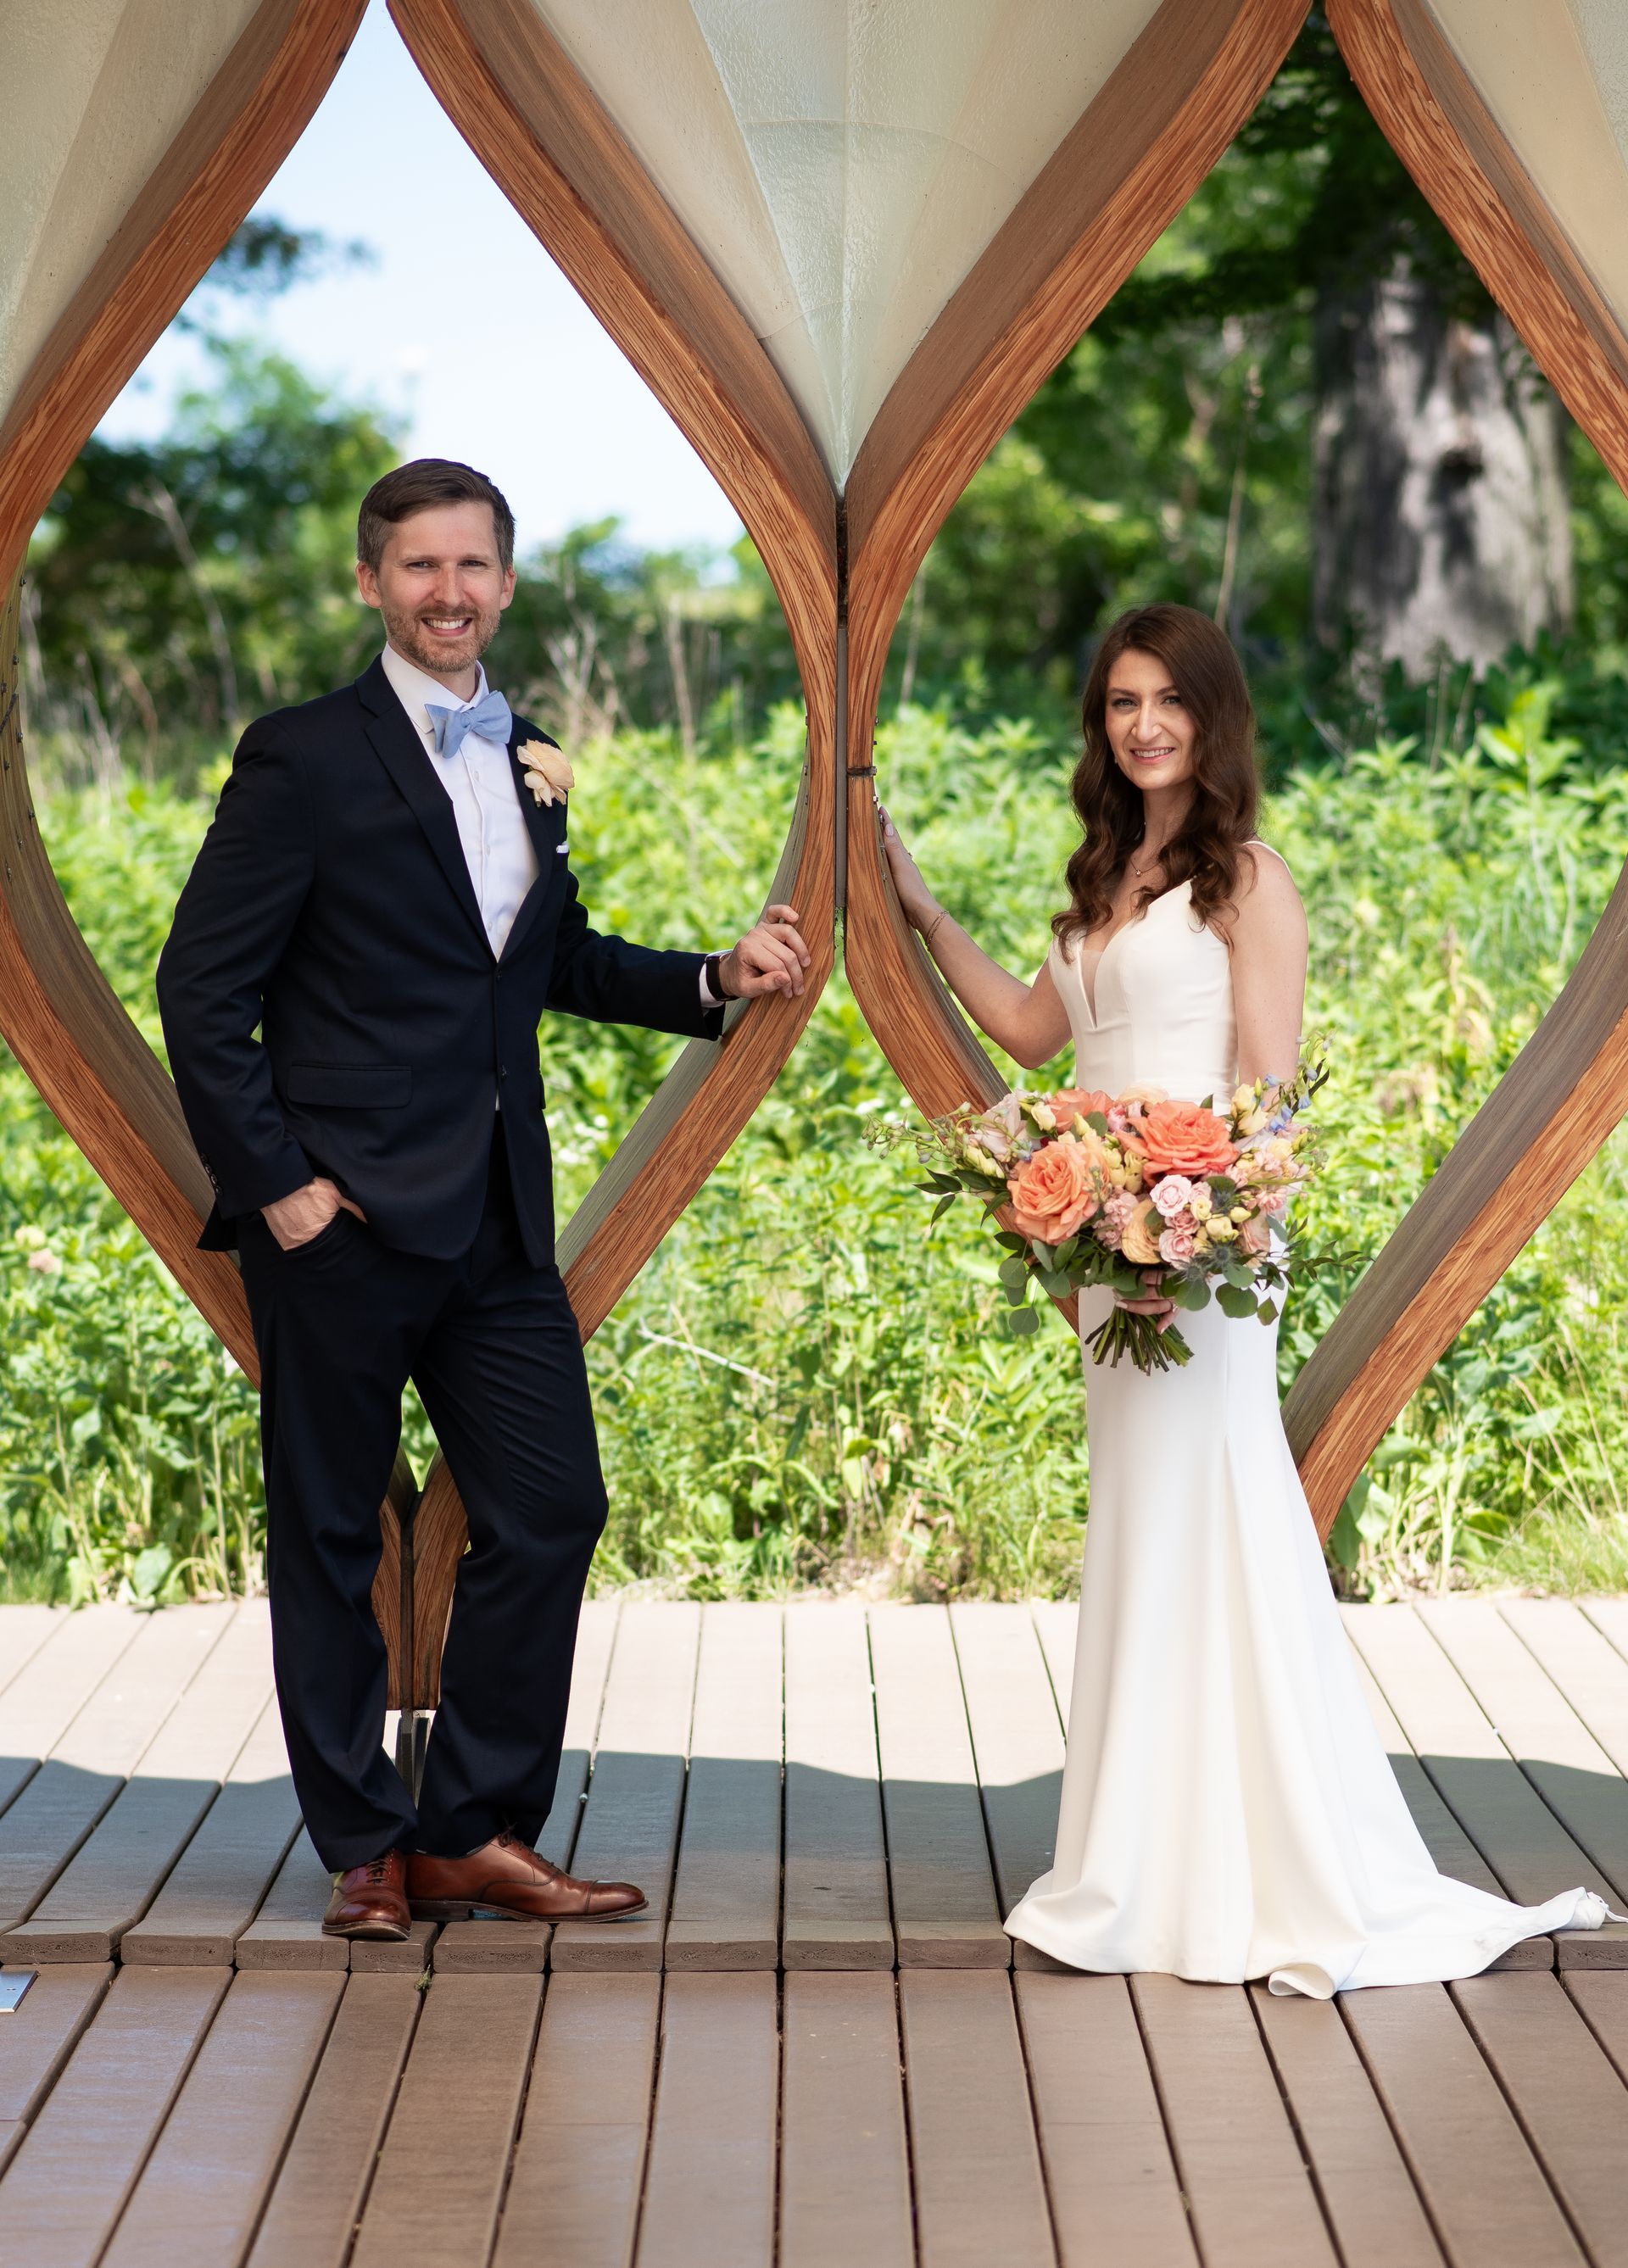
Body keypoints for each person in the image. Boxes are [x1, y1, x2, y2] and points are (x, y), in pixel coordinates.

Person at [880, 601, 1616, 1996]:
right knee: (1143, 1529)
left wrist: (1189, 1238)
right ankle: (1142, 1855)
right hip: (1112, 1248)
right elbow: (1042, 1033)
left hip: (1203, 1251)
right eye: (1118, 704)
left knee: (1218, 1511)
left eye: (1167, 701)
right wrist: (921, 913)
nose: (1142, 724)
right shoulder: (1106, 868)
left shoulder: (1247, 881)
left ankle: (1250, 1863)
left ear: (1213, 717)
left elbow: (1270, 1101)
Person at [158, 458, 811, 1942]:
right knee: (330, 1534)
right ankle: (363, 1849)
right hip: (340, 1225)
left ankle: (467, 1828)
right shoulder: (303, 756)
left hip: (497, 1222)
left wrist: (712, 979)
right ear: (373, 585)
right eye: (419, 568)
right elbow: (202, 993)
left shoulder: (528, 749)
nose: (448, 593)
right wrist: (286, 1194)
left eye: (474, 568)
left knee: (553, 1506)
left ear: (507, 584)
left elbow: (548, 960)